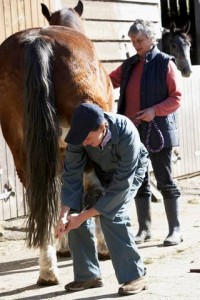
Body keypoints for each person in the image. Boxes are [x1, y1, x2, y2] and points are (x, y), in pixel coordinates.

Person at [55, 102, 149, 296]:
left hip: (129, 173)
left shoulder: (126, 132)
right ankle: (87, 275)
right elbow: (72, 176)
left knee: (112, 215)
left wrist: (84, 216)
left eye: (88, 138)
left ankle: (135, 276)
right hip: (100, 168)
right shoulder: (79, 136)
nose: (83, 143)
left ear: (102, 127)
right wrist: (64, 214)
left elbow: (121, 187)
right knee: (74, 212)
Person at [109, 19, 182, 247]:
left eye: (139, 40)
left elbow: (176, 97)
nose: (135, 45)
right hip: (132, 133)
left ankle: (175, 230)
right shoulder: (129, 65)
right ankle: (144, 229)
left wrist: (154, 110)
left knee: (165, 180)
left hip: (158, 130)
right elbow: (107, 80)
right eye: (132, 41)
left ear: (151, 38)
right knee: (139, 181)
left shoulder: (165, 63)